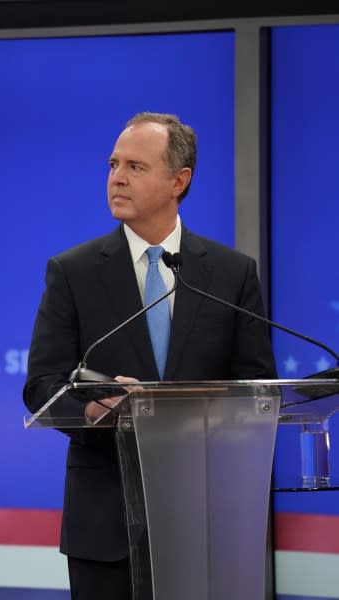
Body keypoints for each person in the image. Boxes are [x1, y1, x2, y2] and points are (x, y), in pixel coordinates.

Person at [22, 112, 276, 599]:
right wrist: (92, 409)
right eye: (113, 164)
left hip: (207, 519)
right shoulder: (73, 272)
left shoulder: (231, 274)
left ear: (178, 180)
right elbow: (42, 385)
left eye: (135, 167)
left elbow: (257, 388)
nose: (116, 177)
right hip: (106, 521)